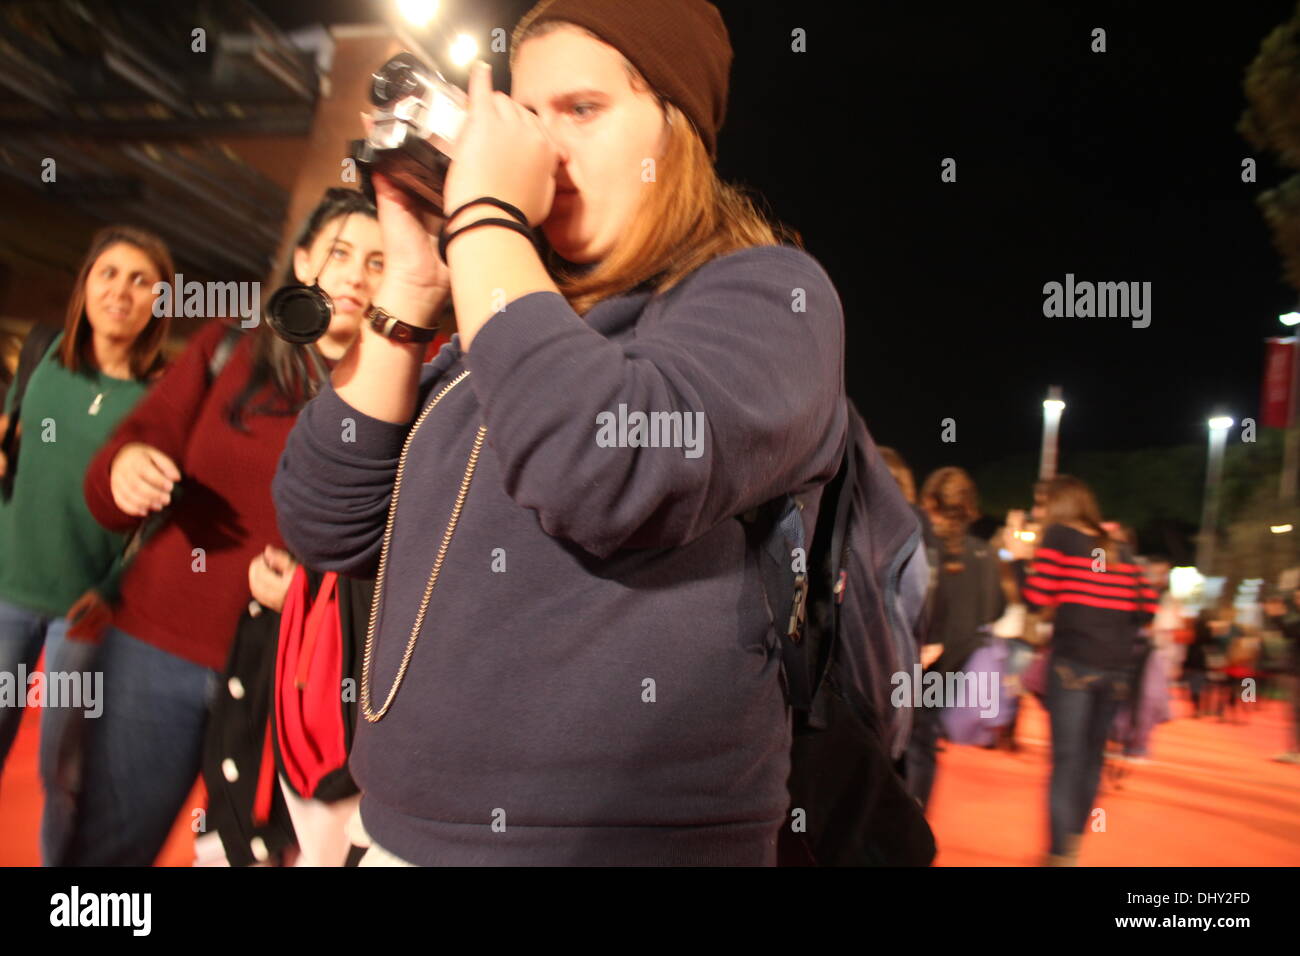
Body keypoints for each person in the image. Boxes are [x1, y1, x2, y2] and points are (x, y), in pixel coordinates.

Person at [273, 0, 846, 866]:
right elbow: (326, 520)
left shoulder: (766, 295)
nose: (539, 147)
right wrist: (414, 292)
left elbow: (602, 463)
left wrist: (486, 226)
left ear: (677, 130)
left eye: (581, 109)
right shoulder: (502, 317)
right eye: (524, 116)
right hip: (393, 832)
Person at [66, 189, 385, 866]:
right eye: (341, 254)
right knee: (106, 855)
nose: (357, 275)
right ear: (303, 261)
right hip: (157, 650)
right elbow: (113, 476)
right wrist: (125, 466)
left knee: (247, 858)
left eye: (380, 261)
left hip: (288, 673)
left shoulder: (402, 392)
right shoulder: (228, 347)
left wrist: (313, 585)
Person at [0, 226, 173, 802]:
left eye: (140, 280)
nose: (120, 291)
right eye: (108, 273)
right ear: (85, 285)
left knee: (65, 772)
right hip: (6, 590)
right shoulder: (41, 352)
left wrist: (115, 588)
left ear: (160, 301)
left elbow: (165, 521)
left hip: (84, 609)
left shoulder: (164, 397)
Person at [1008, 475, 1157, 866]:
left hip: (1074, 662)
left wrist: (1019, 559)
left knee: (1067, 760)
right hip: (1117, 667)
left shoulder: (1058, 536)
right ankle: (1070, 844)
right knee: (1092, 757)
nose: (1037, 514)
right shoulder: (1119, 546)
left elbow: (1037, 597)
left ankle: (1060, 855)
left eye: (1040, 505)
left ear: (1058, 505)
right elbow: (1149, 608)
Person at [904, 467, 1004, 808]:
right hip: (956, 665)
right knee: (924, 743)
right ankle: (915, 822)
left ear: (929, 500)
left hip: (913, 660)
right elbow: (993, 611)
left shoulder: (918, 545)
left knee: (900, 743)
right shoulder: (985, 555)